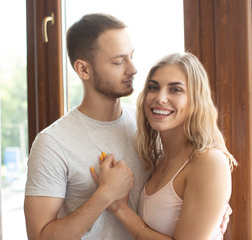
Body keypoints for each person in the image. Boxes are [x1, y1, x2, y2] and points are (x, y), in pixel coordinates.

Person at [24, 13, 152, 240]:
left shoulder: (147, 125)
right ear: (83, 69)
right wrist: (104, 195)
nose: (132, 69)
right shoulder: (52, 143)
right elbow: (39, 237)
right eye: (118, 61)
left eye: (131, 57)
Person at [91, 52, 237, 239]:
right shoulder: (158, 158)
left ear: (196, 99)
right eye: (153, 87)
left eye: (175, 90)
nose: (160, 98)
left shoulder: (209, 161)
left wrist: (120, 208)